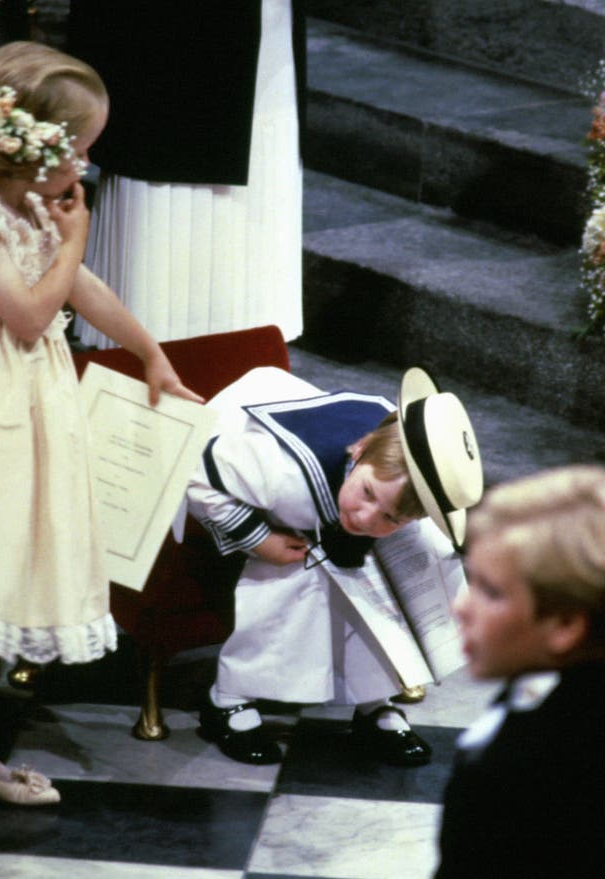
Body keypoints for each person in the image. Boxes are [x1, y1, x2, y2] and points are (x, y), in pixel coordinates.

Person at [0, 34, 202, 822]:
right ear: (31, 144)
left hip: (26, 405)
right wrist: (73, 240)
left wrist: (150, 351)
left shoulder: (34, 203)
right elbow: (33, 314)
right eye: (82, 149)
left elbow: (83, 290)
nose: (86, 167)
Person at [186, 364, 484, 765]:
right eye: (367, 493)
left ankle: (374, 699)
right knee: (307, 572)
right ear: (359, 450)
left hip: (319, 492)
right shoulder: (279, 470)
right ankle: (227, 699)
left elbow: (381, 508)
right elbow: (195, 474)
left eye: (391, 517)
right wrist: (261, 539)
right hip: (221, 468)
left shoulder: (390, 460)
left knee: (420, 555)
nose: (365, 517)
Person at [66, 0, 305, 348]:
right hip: (169, 39)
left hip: (262, 33)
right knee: (168, 150)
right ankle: (148, 353)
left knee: (255, 147)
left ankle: (246, 351)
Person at [434, 465, 605, 879]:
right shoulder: (551, 695)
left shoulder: (525, 775)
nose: (461, 606)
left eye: (490, 591)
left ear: (565, 625)